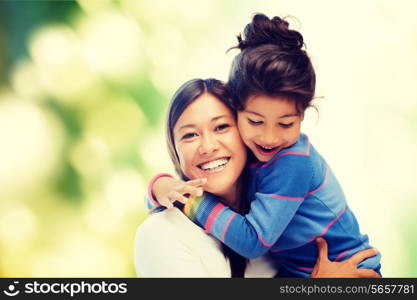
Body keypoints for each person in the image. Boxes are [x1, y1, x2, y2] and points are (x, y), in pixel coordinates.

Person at [147, 14, 381, 277]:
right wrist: (160, 186)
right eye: (256, 121)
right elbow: (164, 199)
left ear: (302, 116)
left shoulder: (292, 162)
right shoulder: (249, 154)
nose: (269, 138)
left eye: (285, 124)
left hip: (351, 273)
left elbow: (252, 242)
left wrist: (190, 201)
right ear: (237, 111)